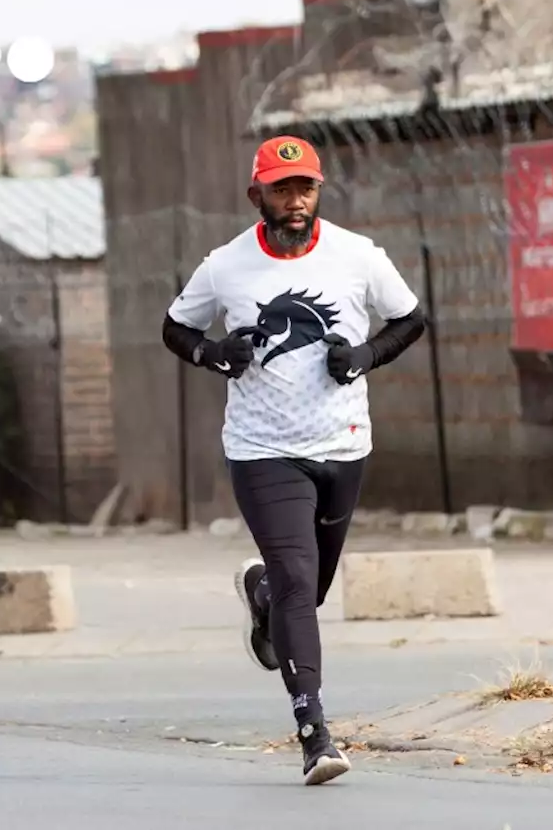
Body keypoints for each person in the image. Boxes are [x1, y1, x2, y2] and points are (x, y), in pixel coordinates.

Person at [161, 135, 427, 784]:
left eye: (305, 186)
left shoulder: (357, 256)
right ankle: (315, 735)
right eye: (282, 188)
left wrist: (363, 357)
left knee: (301, 595)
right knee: (299, 586)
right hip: (262, 451)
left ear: (318, 191)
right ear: (258, 196)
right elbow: (176, 327)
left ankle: (259, 593)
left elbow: (410, 319)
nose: (296, 199)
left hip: (342, 446)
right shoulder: (227, 266)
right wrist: (214, 354)